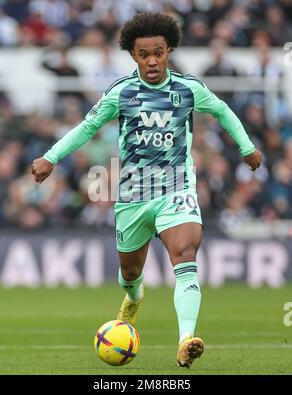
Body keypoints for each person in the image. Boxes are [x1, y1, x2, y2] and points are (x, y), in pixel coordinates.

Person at [31, 12, 262, 368]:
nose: (152, 60)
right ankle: (134, 299)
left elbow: (223, 110)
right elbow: (86, 128)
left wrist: (246, 147)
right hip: (133, 197)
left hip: (176, 190)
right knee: (129, 274)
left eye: (158, 52)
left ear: (169, 50)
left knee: (185, 256)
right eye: (143, 54)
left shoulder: (188, 89)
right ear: (132, 55)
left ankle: (186, 340)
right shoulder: (121, 93)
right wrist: (50, 157)